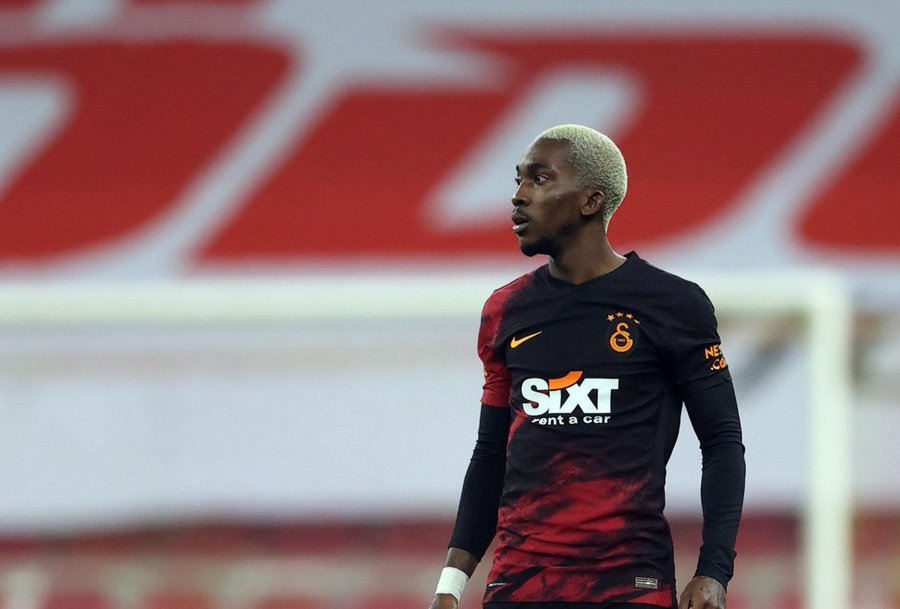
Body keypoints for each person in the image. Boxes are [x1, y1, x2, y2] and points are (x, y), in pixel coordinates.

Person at [428, 124, 745, 609]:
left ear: (591, 201)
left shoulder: (673, 305)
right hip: (520, 583)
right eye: (518, 179)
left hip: (627, 582)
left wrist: (714, 571)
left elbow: (721, 442)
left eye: (539, 179)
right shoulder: (505, 311)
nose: (518, 196)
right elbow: (491, 454)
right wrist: (451, 585)